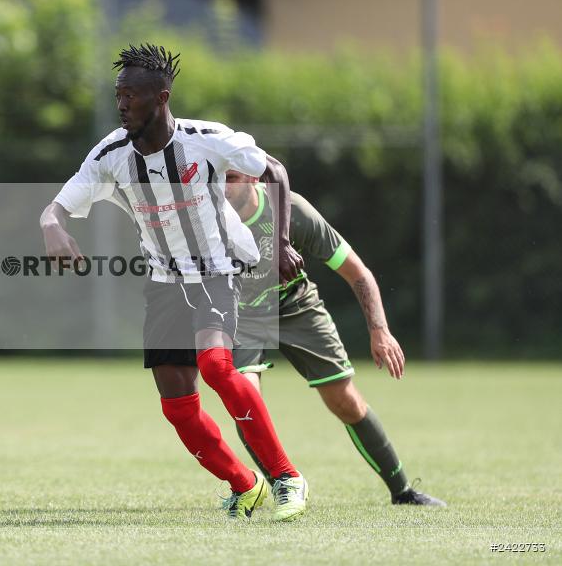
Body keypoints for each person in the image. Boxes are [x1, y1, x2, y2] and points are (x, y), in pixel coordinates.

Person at [40, 43, 308, 521]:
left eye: (131, 96)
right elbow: (58, 205)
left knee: (217, 367)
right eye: (118, 94)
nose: (121, 104)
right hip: (163, 282)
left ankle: (286, 477)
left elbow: (275, 170)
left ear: (161, 98)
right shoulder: (111, 154)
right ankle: (245, 485)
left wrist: (282, 241)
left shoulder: (206, 140)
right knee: (178, 408)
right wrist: (52, 226)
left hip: (217, 270)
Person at [224, 171, 445, 506]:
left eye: (230, 177)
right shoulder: (204, 216)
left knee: (344, 399)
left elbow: (358, 273)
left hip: (295, 305)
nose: (220, 186)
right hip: (240, 316)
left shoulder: (293, 211)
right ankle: (286, 486)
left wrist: (379, 330)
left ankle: (402, 491)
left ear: (252, 176)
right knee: (245, 400)